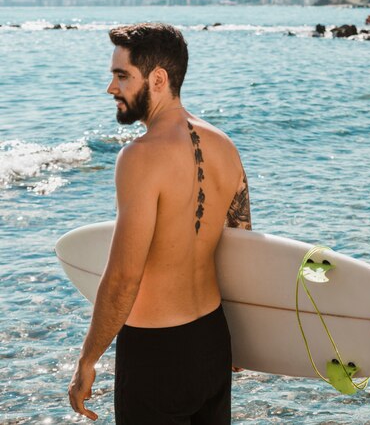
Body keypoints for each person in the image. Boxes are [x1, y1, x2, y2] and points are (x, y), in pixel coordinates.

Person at [68, 22, 252, 424]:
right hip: (213, 340)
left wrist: (88, 359)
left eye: (121, 76)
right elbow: (243, 250)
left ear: (158, 78)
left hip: (157, 355)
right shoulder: (226, 146)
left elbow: (123, 277)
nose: (111, 88)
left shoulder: (140, 157)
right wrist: (246, 341)